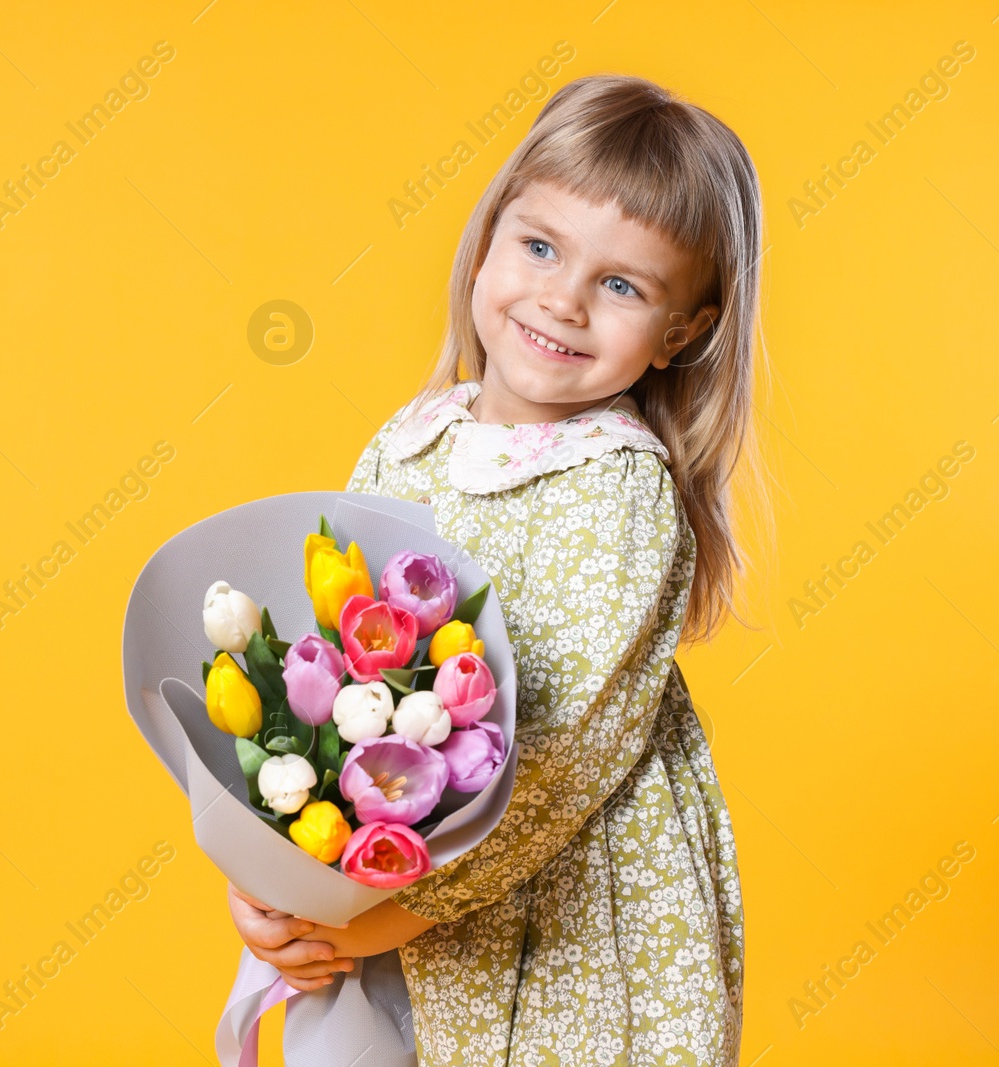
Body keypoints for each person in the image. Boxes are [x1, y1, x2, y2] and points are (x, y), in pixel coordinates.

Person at [228, 72, 770, 1065]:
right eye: (539, 246)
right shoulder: (414, 437)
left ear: (680, 331)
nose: (560, 298)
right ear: (485, 243)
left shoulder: (620, 488)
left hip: (556, 887)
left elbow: (562, 752)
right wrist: (285, 869)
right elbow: (321, 664)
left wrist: (402, 911)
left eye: (621, 284)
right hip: (390, 854)